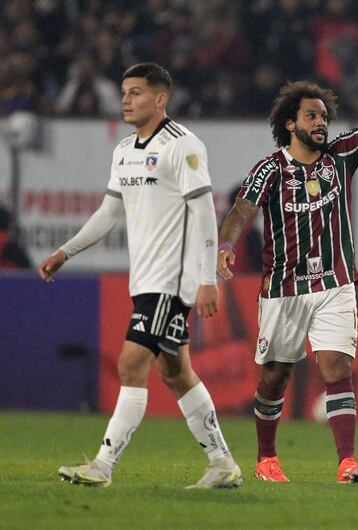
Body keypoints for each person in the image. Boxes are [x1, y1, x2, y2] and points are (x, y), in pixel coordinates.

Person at [216, 27, 358, 484]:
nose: (321, 122)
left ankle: (346, 460)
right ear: (290, 123)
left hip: (335, 282)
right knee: (275, 375)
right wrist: (226, 246)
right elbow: (240, 211)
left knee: (336, 366)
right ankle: (266, 457)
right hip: (283, 289)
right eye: (312, 116)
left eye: (324, 116)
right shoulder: (270, 169)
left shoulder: (341, 155)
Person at [37, 63, 242, 489]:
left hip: (172, 280)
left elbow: (204, 212)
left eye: (135, 93)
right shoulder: (125, 149)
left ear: (160, 98)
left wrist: (207, 279)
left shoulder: (183, 145)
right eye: (125, 93)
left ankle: (102, 465)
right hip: (146, 279)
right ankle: (222, 464)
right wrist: (65, 251)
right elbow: (109, 212)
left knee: (132, 364)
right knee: (176, 372)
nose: (126, 100)